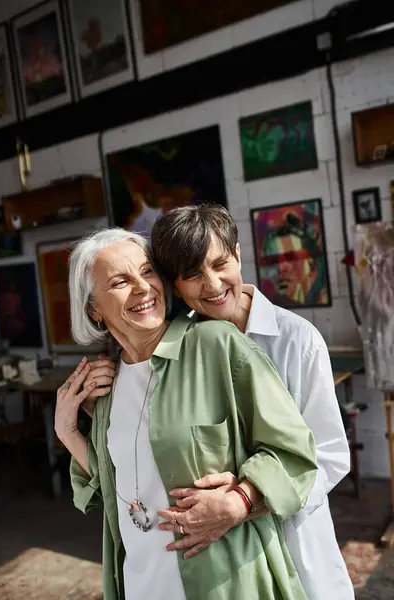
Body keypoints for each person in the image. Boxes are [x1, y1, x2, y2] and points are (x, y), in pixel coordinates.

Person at [86, 206, 354, 600]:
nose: (211, 284)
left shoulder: (297, 340)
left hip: (296, 540)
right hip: (223, 565)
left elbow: (327, 454)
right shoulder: (182, 348)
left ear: (239, 256)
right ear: (175, 285)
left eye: (220, 264)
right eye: (192, 274)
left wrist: (247, 498)